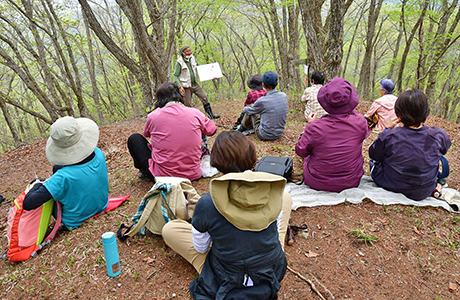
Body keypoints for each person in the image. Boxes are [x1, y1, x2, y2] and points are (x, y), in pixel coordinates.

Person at [162, 131, 292, 299]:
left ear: (217, 163)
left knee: (170, 229)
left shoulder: (207, 204)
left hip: (227, 278)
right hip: (271, 270)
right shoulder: (275, 192)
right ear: (253, 157)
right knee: (285, 198)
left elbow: (201, 248)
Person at [23, 116, 109, 230]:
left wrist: (39, 183)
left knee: (38, 183)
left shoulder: (62, 177)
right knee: (57, 168)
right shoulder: (98, 153)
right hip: (101, 205)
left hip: (75, 220)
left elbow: (28, 203)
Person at [369, 89, 451, 200]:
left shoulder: (390, 135)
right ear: (426, 111)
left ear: (399, 113)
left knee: (373, 163)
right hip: (423, 190)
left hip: (390, 184)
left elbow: (374, 154)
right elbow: (444, 150)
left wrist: (387, 129)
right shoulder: (438, 135)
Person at [127, 82, 217, 182]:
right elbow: (212, 130)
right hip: (193, 174)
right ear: (179, 95)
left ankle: (145, 172)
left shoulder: (153, 116)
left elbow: (147, 135)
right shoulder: (194, 113)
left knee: (134, 139)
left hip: (163, 177)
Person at [295, 77, 370, 192]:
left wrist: (309, 127)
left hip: (317, 181)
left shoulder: (315, 127)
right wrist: (348, 107)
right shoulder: (360, 123)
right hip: (351, 181)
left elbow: (301, 151)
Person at [172, 45, 220, 119]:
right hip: (186, 86)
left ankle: (210, 115)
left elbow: (200, 68)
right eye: (187, 51)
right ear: (183, 53)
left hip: (195, 84)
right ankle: (189, 118)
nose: (189, 53)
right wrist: (180, 86)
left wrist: (212, 75)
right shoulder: (179, 62)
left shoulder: (192, 58)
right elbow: (175, 75)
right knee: (187, 103)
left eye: (190, 51)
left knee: (204, 97)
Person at [239, 71, 288, 140]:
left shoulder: (262, 101)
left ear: (263, 85)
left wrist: (247, 107)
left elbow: (249, 111)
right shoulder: (284, 96)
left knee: (251, 109)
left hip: (264, 135)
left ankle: (241, 129)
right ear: (277, 83)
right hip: (279, 133)